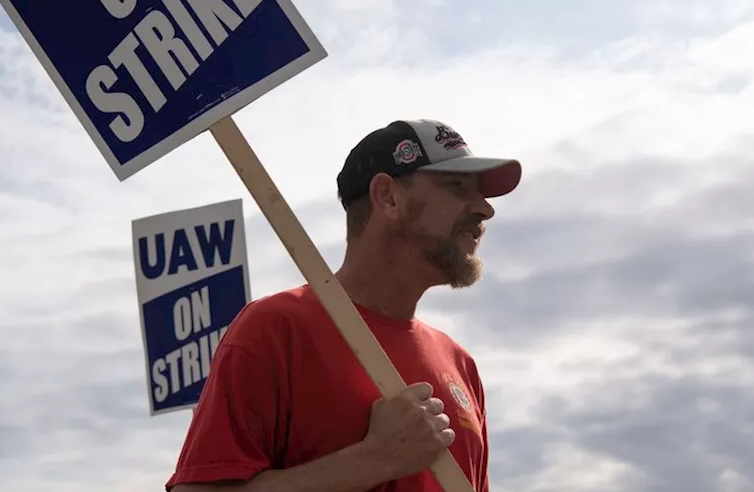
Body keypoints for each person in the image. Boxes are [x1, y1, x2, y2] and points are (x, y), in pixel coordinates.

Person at [163, 119, 522, 492]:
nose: (484, 209)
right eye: (457, 187)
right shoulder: (275, 329)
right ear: (388, 196)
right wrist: (372, 460)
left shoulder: (461, 364)